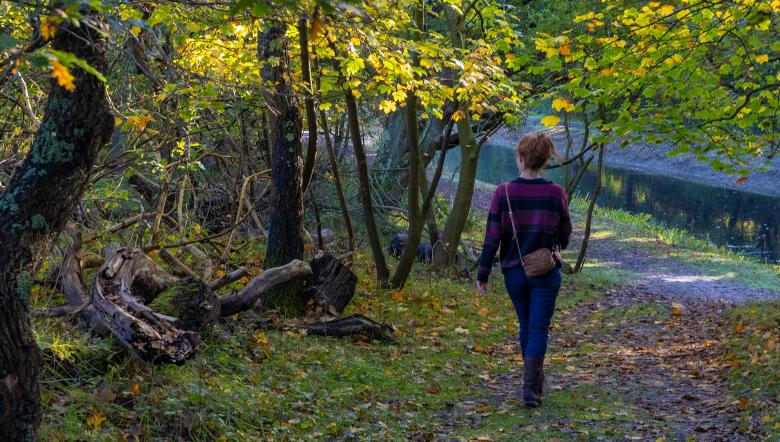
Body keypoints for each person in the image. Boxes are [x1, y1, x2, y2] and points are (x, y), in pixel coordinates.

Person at [476, 132, 573, 407]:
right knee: (538, 329)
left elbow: (492, 237)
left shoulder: (503, 192)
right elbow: (565, 232)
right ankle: (531, 388)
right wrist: (557, 246)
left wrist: (482, 274)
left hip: (514, 274)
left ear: (520, 158)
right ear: (544, 161)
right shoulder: (556, 193)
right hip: (545, 271)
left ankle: (533, 382)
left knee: (526, 325)